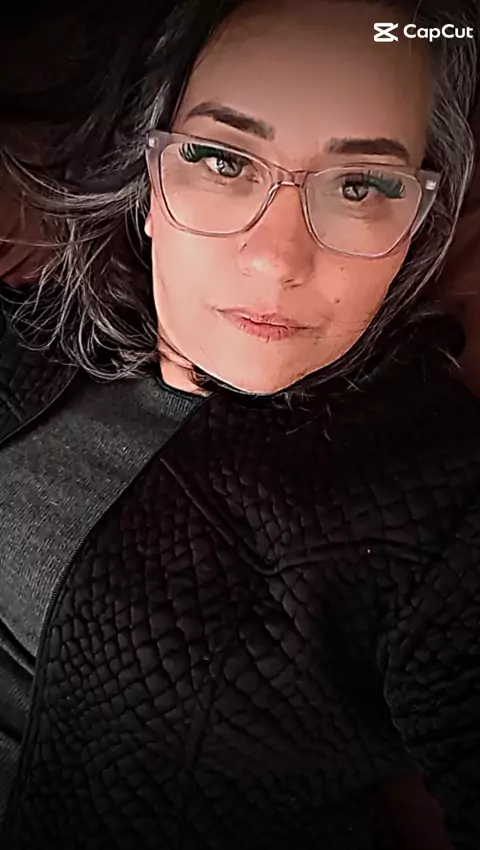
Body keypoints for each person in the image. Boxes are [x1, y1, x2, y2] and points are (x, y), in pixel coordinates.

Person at [0, 0, 479, 848]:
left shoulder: (438, 501)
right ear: (149, 184)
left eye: (360, 186)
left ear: (415, 227)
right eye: (221, 160)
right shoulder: (38, 326)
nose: (275, 258)